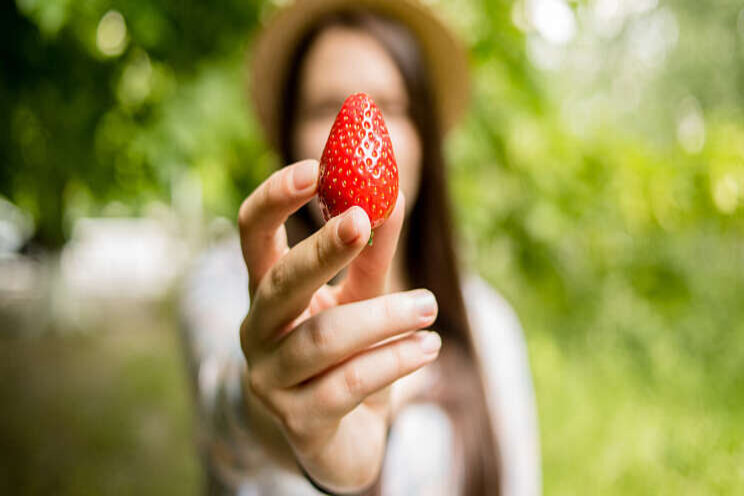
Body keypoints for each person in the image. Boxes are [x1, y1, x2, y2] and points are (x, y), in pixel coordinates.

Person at [179, 1, 541, 494]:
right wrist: (280, 410)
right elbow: (223, 415)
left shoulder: (489, 327)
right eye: (324, 106)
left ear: (425, 141)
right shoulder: (224, 285)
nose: (359, 125)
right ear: (288, 137)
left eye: (391, 106)